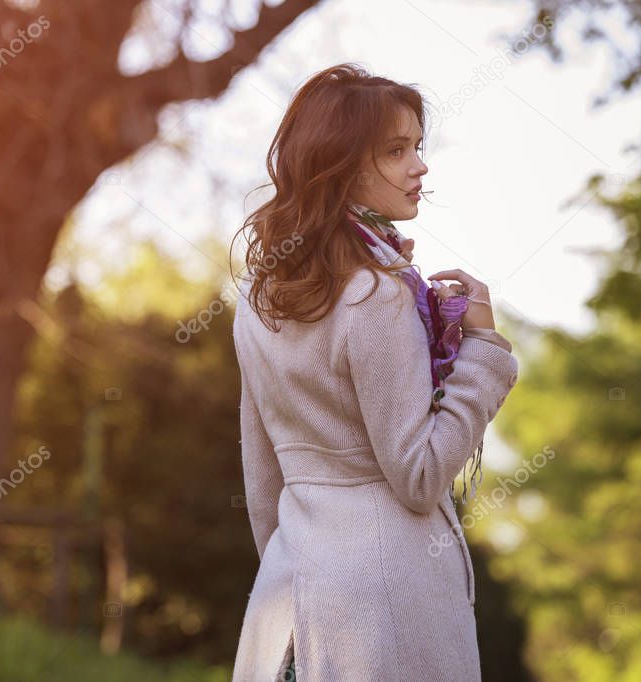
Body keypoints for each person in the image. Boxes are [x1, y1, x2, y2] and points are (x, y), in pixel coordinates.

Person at [228, 63, 518, 681]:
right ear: (341, 165)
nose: (420, 166)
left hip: (292, 600)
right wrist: (484, 351)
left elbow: (263, 482)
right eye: (395, 150)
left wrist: (299, 575)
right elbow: (417, 476)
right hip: (385, 605)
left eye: (417, 146)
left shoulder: (259, 301)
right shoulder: (377, 296)